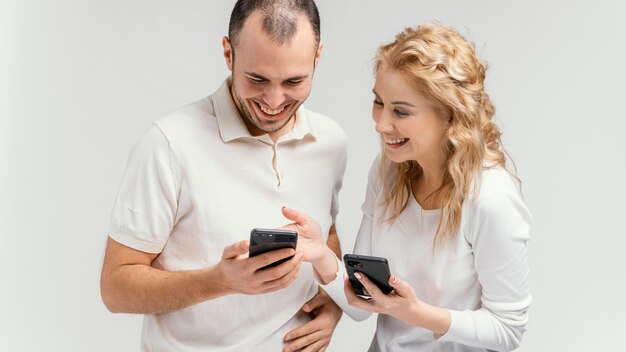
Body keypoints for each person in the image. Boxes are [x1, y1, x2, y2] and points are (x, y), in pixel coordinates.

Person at [100, 1, 347, 351]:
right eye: (257, 79)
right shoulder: (168, 144)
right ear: (228, 54)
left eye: (294, 80)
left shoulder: (332, 141)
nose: (274, 101)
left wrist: (332, 301)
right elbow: (115, 287)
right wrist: (218, 281)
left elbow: (327, 234)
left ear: (318, 58)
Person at [281, 22, 532, 352]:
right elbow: (361, 303)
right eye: (379, 102)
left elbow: (508, 329)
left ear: (450, 116)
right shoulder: (388, 172)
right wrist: (321, 256)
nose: (382, 124)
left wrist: (416, 313)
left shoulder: (490, 198)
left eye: (401, 111)